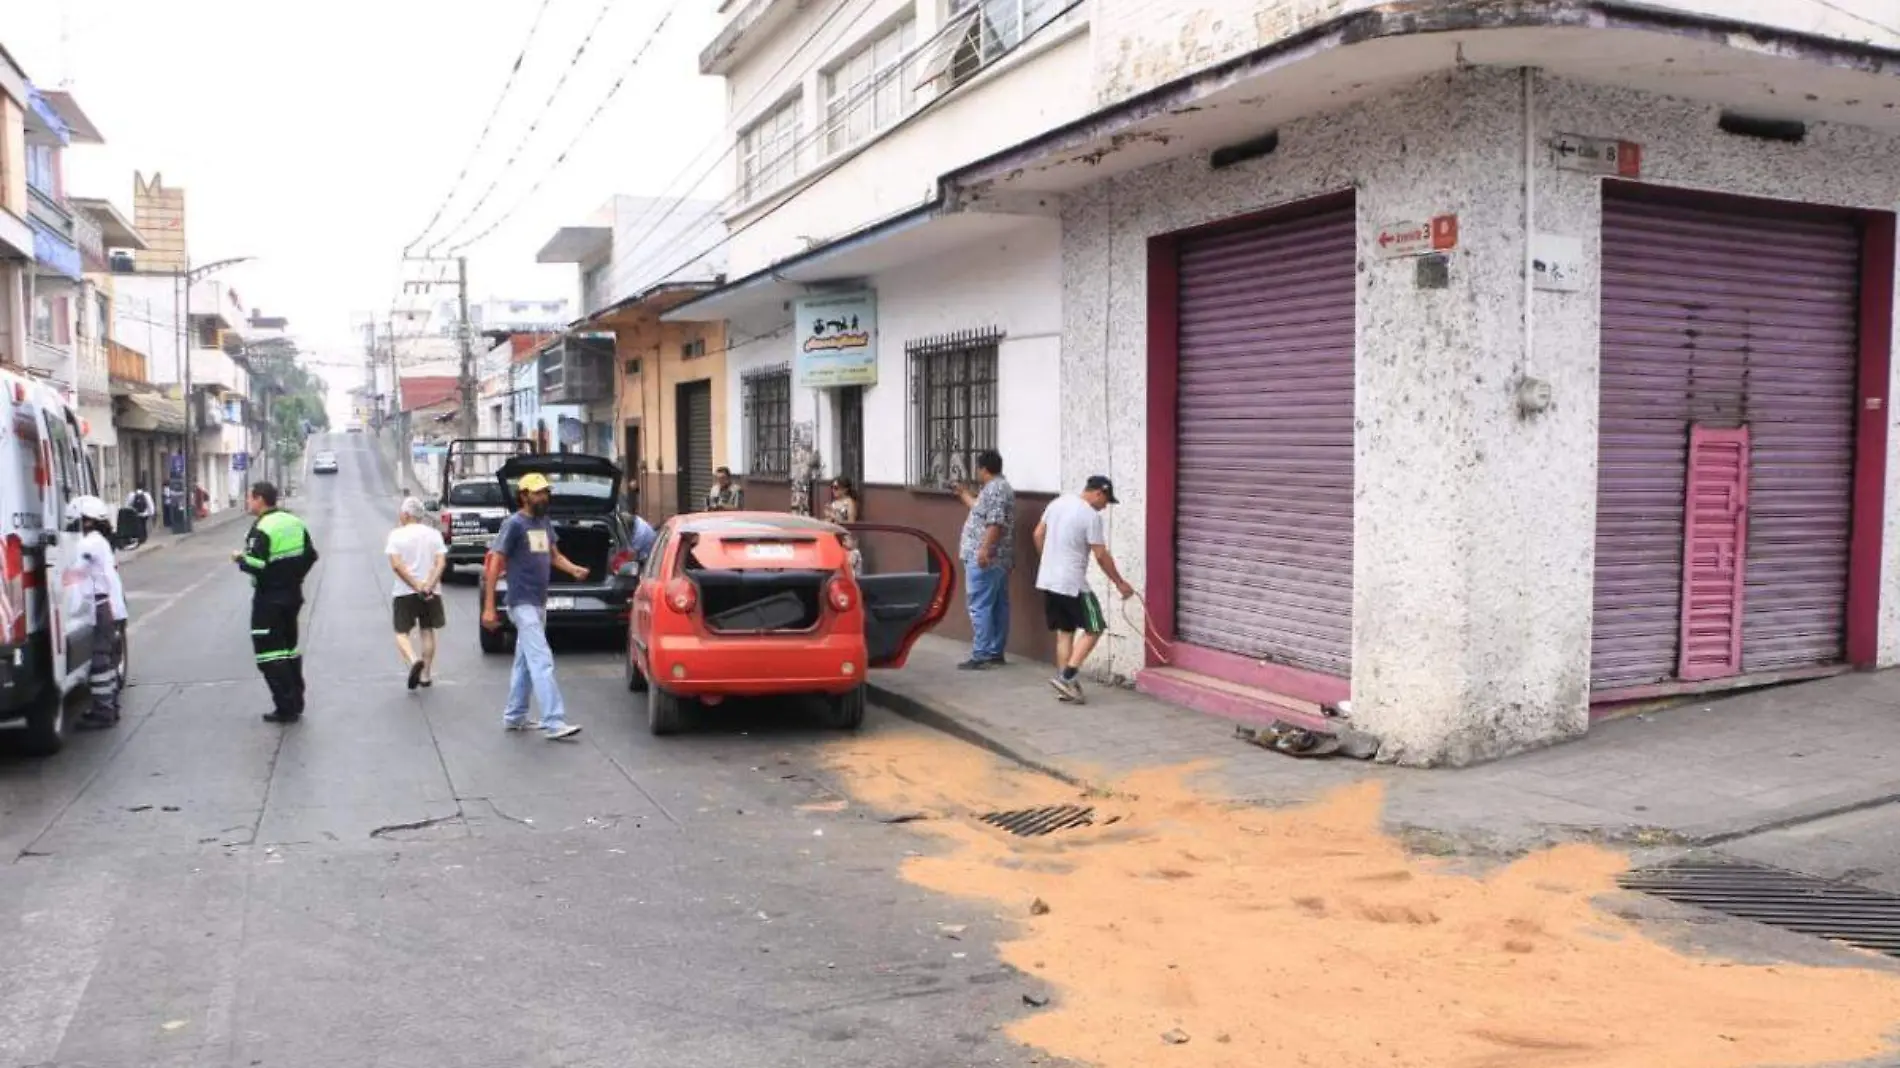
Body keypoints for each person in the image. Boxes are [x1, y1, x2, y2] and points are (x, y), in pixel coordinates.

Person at [482, 472, 588, 740]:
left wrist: (574, 569)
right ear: (524, 495)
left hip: (539, 601)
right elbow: (495, 562)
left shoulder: (543, 522)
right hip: (521, 602)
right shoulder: (514, 524)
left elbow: (554, 556)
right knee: (542, 660)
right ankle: (554, 721)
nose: (544, 497)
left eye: (545, 492)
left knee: (525, 662)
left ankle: (515, 715)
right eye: (538, 492)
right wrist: (489, 606)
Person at [1035, 475, 1134, 704]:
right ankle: (1067, 676)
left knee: (1065, 632)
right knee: (1095, 626)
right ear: (1099, 492)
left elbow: (1037, 534)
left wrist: (1048, 562)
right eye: (1106, 501)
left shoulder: (1057, 503)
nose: (1105, 507)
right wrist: (1119, 582)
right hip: (1072, 582)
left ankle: (1065, 688)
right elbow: (1100, 554)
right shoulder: (1090, 516)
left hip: (1049, 580)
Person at [233, 481, 318, 723]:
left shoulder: (262, 527)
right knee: (289, 650)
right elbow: (311, 555)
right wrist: (294, 576)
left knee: (268, 653)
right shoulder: (294, 522)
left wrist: (239, 558)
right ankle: (297, 700)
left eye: (250, 498)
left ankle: (285, 706)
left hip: (268, 599)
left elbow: (256, 564)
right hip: (293, 595)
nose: (248, 502)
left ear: (260, 499)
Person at [67, 496, 124, 730]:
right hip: (110, 604)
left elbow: (77, 573)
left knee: (99, 660)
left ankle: (103, 711)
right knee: (108, 659)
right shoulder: (101, 541)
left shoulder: (88, 544)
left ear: (86, 521)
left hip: (101, 606)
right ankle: (110, 705)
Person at [954, 450, 1014, 671]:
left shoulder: (996, 489)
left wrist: (984, 550)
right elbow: (981, 510)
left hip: (986, 559)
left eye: (978, 469)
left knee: (980, 605)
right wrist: (963, 493)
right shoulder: (996, 488)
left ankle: (982, 654)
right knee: (997, 605)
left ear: (983, 469)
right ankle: (994, 651)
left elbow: (995, 522)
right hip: (997, 559)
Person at [387, 496, 448, 690]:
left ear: (405, 514)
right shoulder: (433, 534)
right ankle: (426, 674)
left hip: (404, 591)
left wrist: (415, 585)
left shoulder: (396, 535)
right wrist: (428, 585)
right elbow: (441, 563)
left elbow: (396, 565)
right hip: (431, 591)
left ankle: (414, 660)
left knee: (401, 632)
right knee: (427, 630)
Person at [828, 476, 863, 574]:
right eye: (832, 487)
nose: (833, 490)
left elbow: (851, 522)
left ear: (845, 489)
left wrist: (836, 518)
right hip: (835, 537)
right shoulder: (833, 504)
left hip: (846, 538)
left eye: (836, 488)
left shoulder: (849, 502)